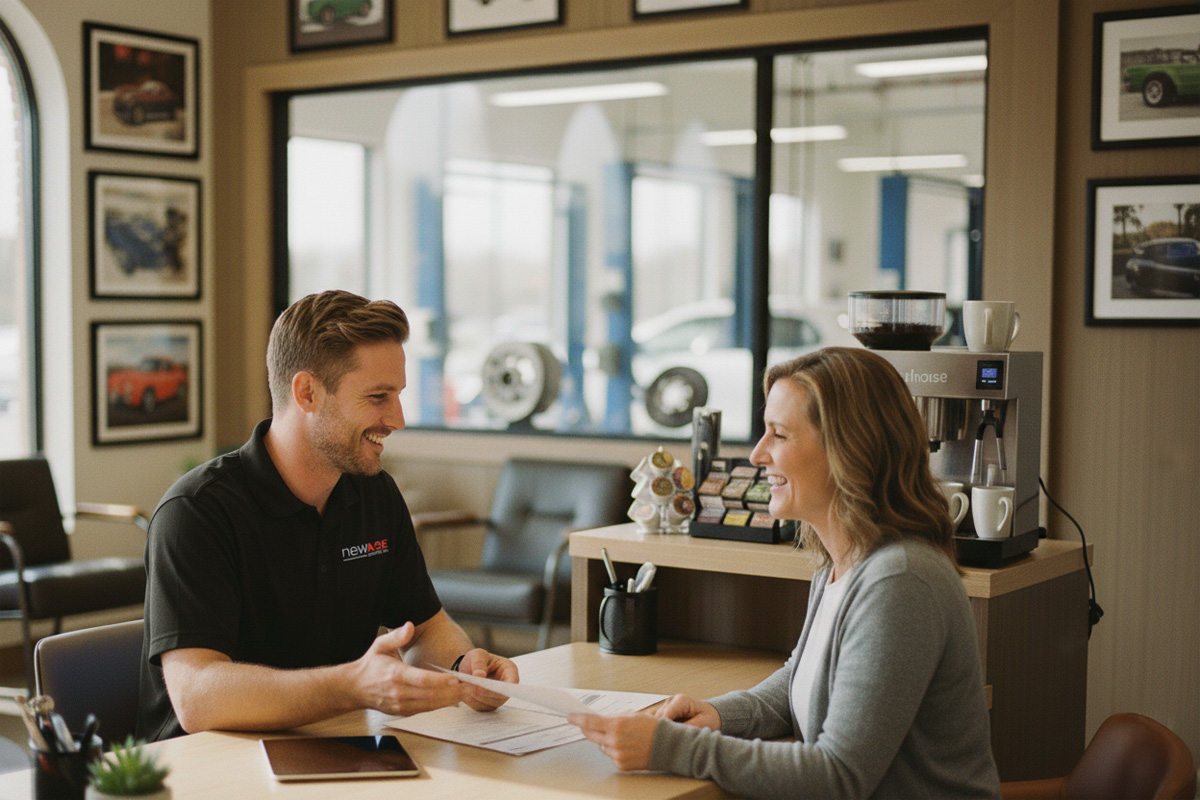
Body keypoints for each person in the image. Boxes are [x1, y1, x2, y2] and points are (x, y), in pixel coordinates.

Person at [570, 346, 1001, 799]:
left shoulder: (900, 581)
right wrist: (716, 716)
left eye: (779, 435)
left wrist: (675, 748)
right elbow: (800, 679)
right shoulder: (842, 561)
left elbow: (838, 776)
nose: (757, 455)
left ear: (847, 449)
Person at [137, 290, 518, 741]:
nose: (396, 418)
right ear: (307, 393)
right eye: (378, 397)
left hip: (334, 747)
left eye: (397, 395)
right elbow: (198, 700)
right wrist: (353, 685)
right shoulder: (196, 514)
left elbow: (423, 628)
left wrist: (464, 665)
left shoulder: (375, 494)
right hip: (208, 769)